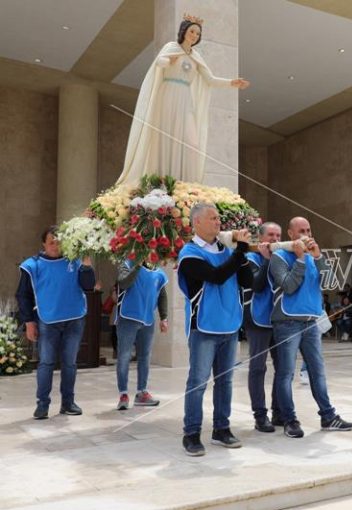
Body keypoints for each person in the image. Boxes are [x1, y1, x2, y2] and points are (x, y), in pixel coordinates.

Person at [115, 14, 250, 186]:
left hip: (185, 98)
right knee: (166, 135)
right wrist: (168, 60)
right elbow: (159, 63)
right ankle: (162, 180)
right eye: (192, 31)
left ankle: (183, 181)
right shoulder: (172, 47)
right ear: (184, 31)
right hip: (168, 94)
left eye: (198, 34)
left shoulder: (196, 56)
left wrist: (232, 83)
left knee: (191, 141)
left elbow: (210, 79)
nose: (194, 35)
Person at [177, 203, 253, 456]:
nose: (219, 222)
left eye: (219, 218)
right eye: (213, 218)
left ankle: (221, 429)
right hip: (204, 328)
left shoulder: (228, 251)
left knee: (225, 382)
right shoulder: (189, 254)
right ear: (196, 222)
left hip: (230, 326)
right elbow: (217, 276)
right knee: (198, 382)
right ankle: (191, 433)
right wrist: (239, 251)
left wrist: (244, 254)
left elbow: (247, 281)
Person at [270, 217, 352, 438]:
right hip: (287, 322)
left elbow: (332, 285)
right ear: (290, 233)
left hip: (311, 322)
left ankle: (328, 416)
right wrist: (299, 259)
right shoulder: (279, 257)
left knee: (317, 372)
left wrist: (318, 258)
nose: (306, 234)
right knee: (286, 373)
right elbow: (288, 286)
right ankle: (289, 420)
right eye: (301, 231)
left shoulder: (314, 258)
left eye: (308, 230)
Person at [16, 226, 96, 420]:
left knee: (70, 363)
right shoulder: (32, 265)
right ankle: (42, 404)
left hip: (74, 319)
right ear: (44, 244)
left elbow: (89, 286)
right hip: (47, 320)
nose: (55, 245)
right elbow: (23, 296)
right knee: (46, 363)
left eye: (59, 241)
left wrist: (86, 266)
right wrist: (29, 322)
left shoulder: (75, 260)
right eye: (51, 241)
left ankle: (68, 403)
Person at [243, 221, 282, 433]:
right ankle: (260, 416)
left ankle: (279, 412)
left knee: (283, 368)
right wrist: (267, 261)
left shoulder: (283, 257)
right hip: (257, 319)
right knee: (258, 368)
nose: (275, 240)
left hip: (279, 319)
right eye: (271, 235)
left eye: (278, 235)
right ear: (260, 239)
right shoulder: (250, 259)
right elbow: (256, 285)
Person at [115, 258, 169, 409]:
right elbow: (124, 283)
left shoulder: (158, 271)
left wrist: (164, 317)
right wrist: (138, 265)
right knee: (124, 356)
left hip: (147, 320)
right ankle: (123, 394)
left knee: (145, 357)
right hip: (127, 318)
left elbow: (162, 294)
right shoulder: (126, 264)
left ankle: (142, 393)